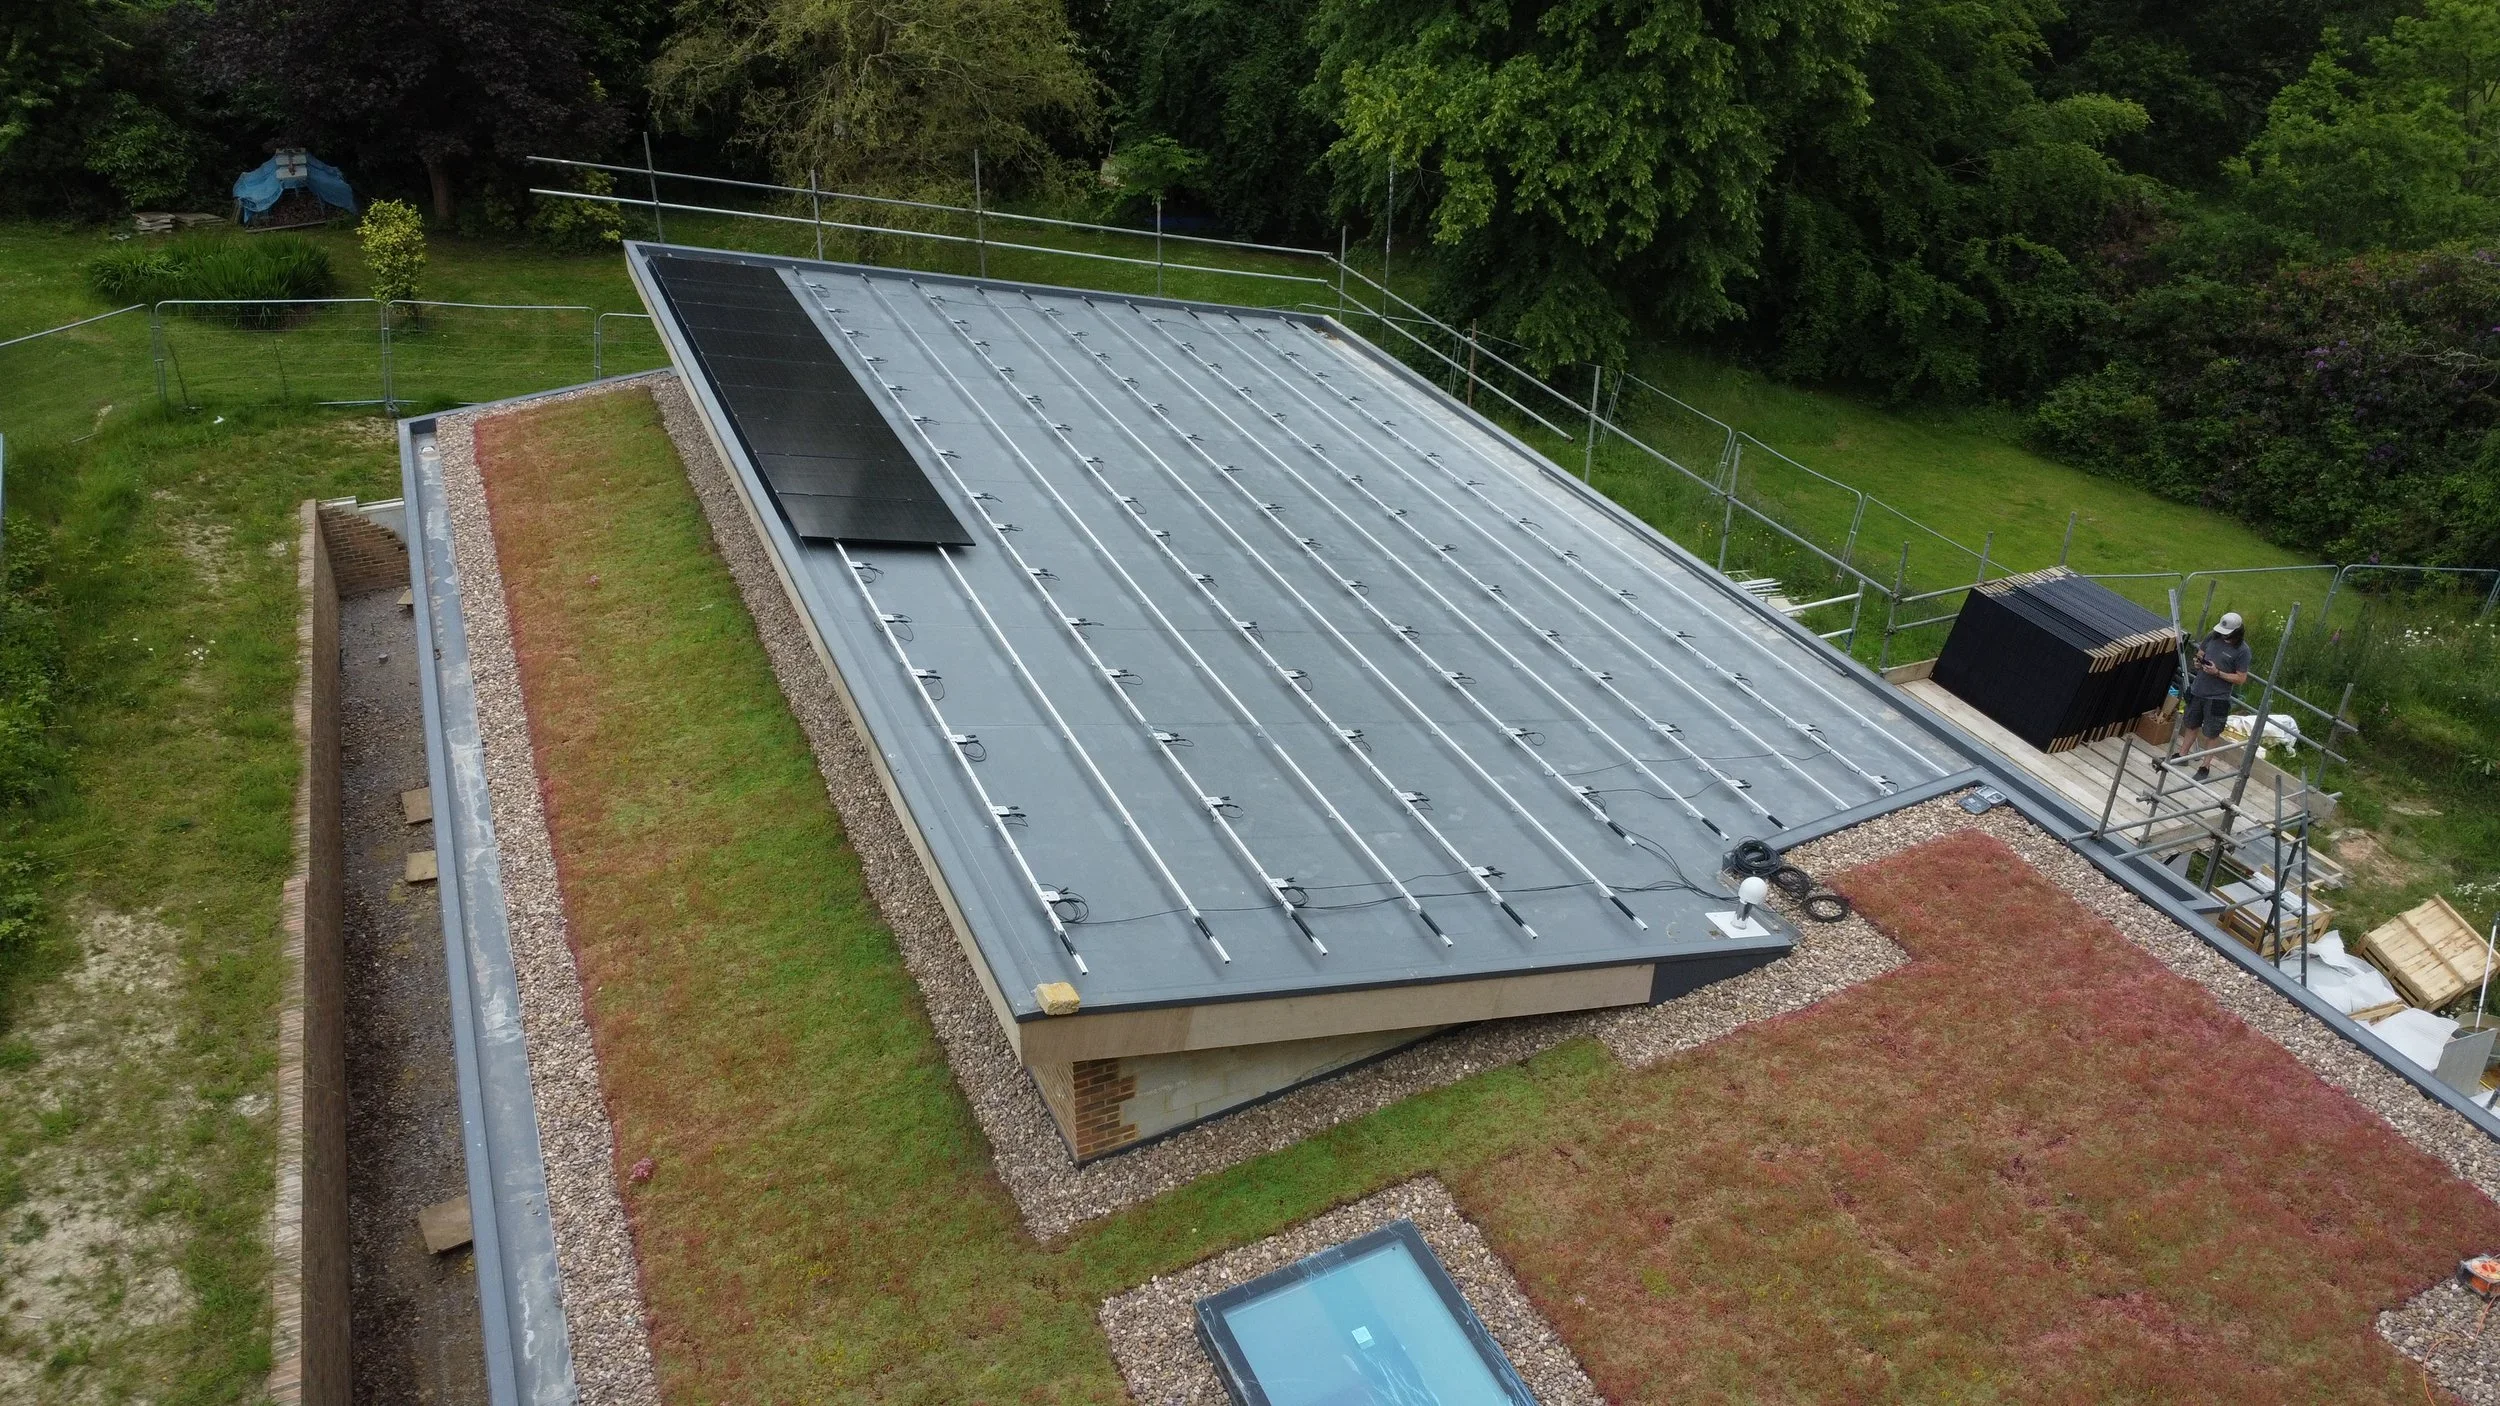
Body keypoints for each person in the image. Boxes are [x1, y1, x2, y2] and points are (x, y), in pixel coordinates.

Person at [2168, 611, 2251, 780]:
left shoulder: (2243, 651)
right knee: (2191, 724)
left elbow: (2241, 678)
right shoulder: (2213, 637)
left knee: (2211, 733)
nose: (2222, 636)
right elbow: (2200, 653)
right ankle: (2182, 755)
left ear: (2237, 632)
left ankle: (2205, 766)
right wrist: (2199, 662)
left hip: (2217, 697)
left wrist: (2218, 673)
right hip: (2199, 689)